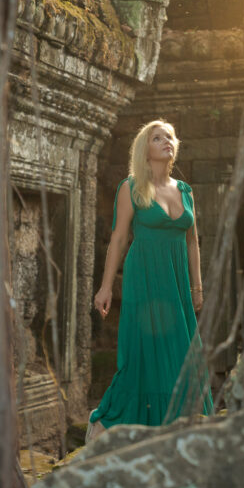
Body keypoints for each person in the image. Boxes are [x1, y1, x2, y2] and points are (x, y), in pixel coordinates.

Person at [87, 119, 213, 442]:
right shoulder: (131, 188)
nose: (166, 141)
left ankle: (178, 426)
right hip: (143, 278)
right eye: (157, 138)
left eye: (170, 136)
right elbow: (117, 239)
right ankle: (105, 425)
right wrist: (104, 287)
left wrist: (197, 286)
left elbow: (192, 242)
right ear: (146, 150)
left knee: (183, 352)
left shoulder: (185, 192)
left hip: (176, 282)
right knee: (143, 354)